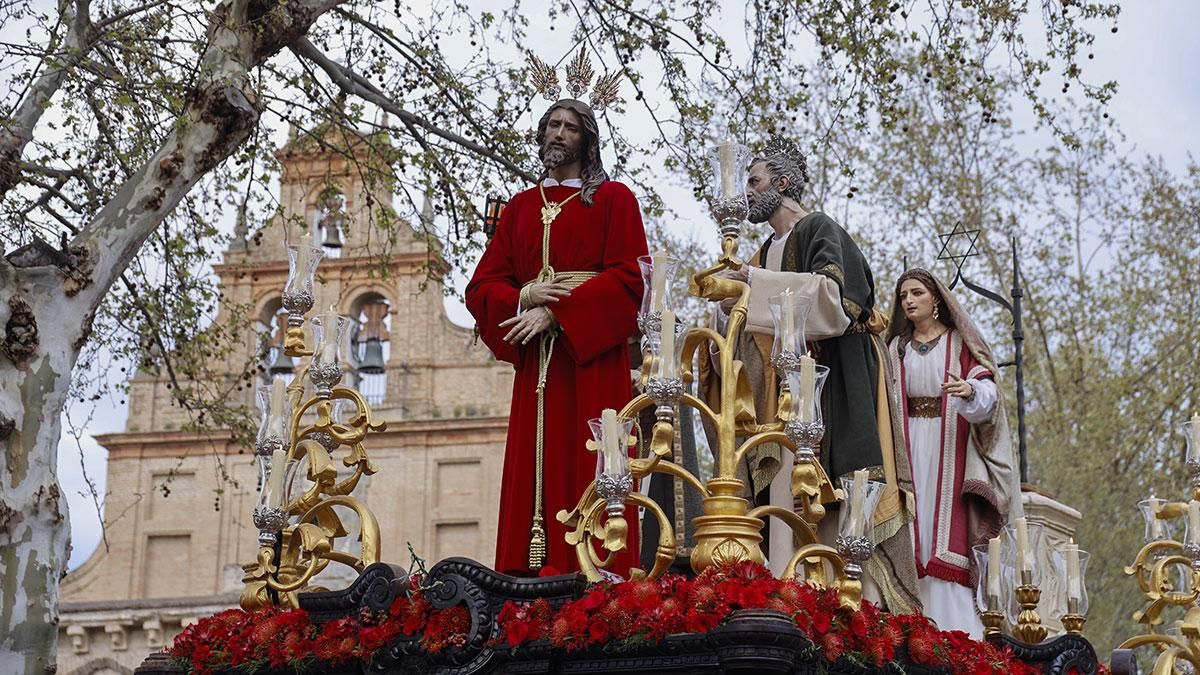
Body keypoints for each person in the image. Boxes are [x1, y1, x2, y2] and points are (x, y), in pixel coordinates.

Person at [710, 137, 920, 614]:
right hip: (784, 389)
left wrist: (753, 284)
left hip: (837, 380)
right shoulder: (765, 248)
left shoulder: (819, 227)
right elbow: (756, 321)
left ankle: (847, 594)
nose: (746, 191)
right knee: (784, 479)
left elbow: (834, 299)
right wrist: (728, 312)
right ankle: (791, 581)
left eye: (754, 179)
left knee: (841, 484)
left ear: (783, 183)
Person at [465, 99, 648, 576]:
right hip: (537, 371)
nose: (558, 133)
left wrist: (558, 314)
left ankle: (600, 577)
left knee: (592, 462)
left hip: (591, 362)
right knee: (533, 468)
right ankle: (523, 584)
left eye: (569, 127)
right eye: (551, 125)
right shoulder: (519, 209)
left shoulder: (614, 199)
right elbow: (482, 287)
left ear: (587, 140)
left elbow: (632, 278)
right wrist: (524, 296)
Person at [885, 268, 1019, 637]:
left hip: (949, 447)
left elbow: (989, 393)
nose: (908, 301)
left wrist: (971, 392)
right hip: (906, 446)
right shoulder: (895, 348)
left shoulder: (960, 344)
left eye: (916, 293)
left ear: (936, 300)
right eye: (903, 295)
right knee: (911, 528)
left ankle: (955, 628)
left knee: (945, 531)